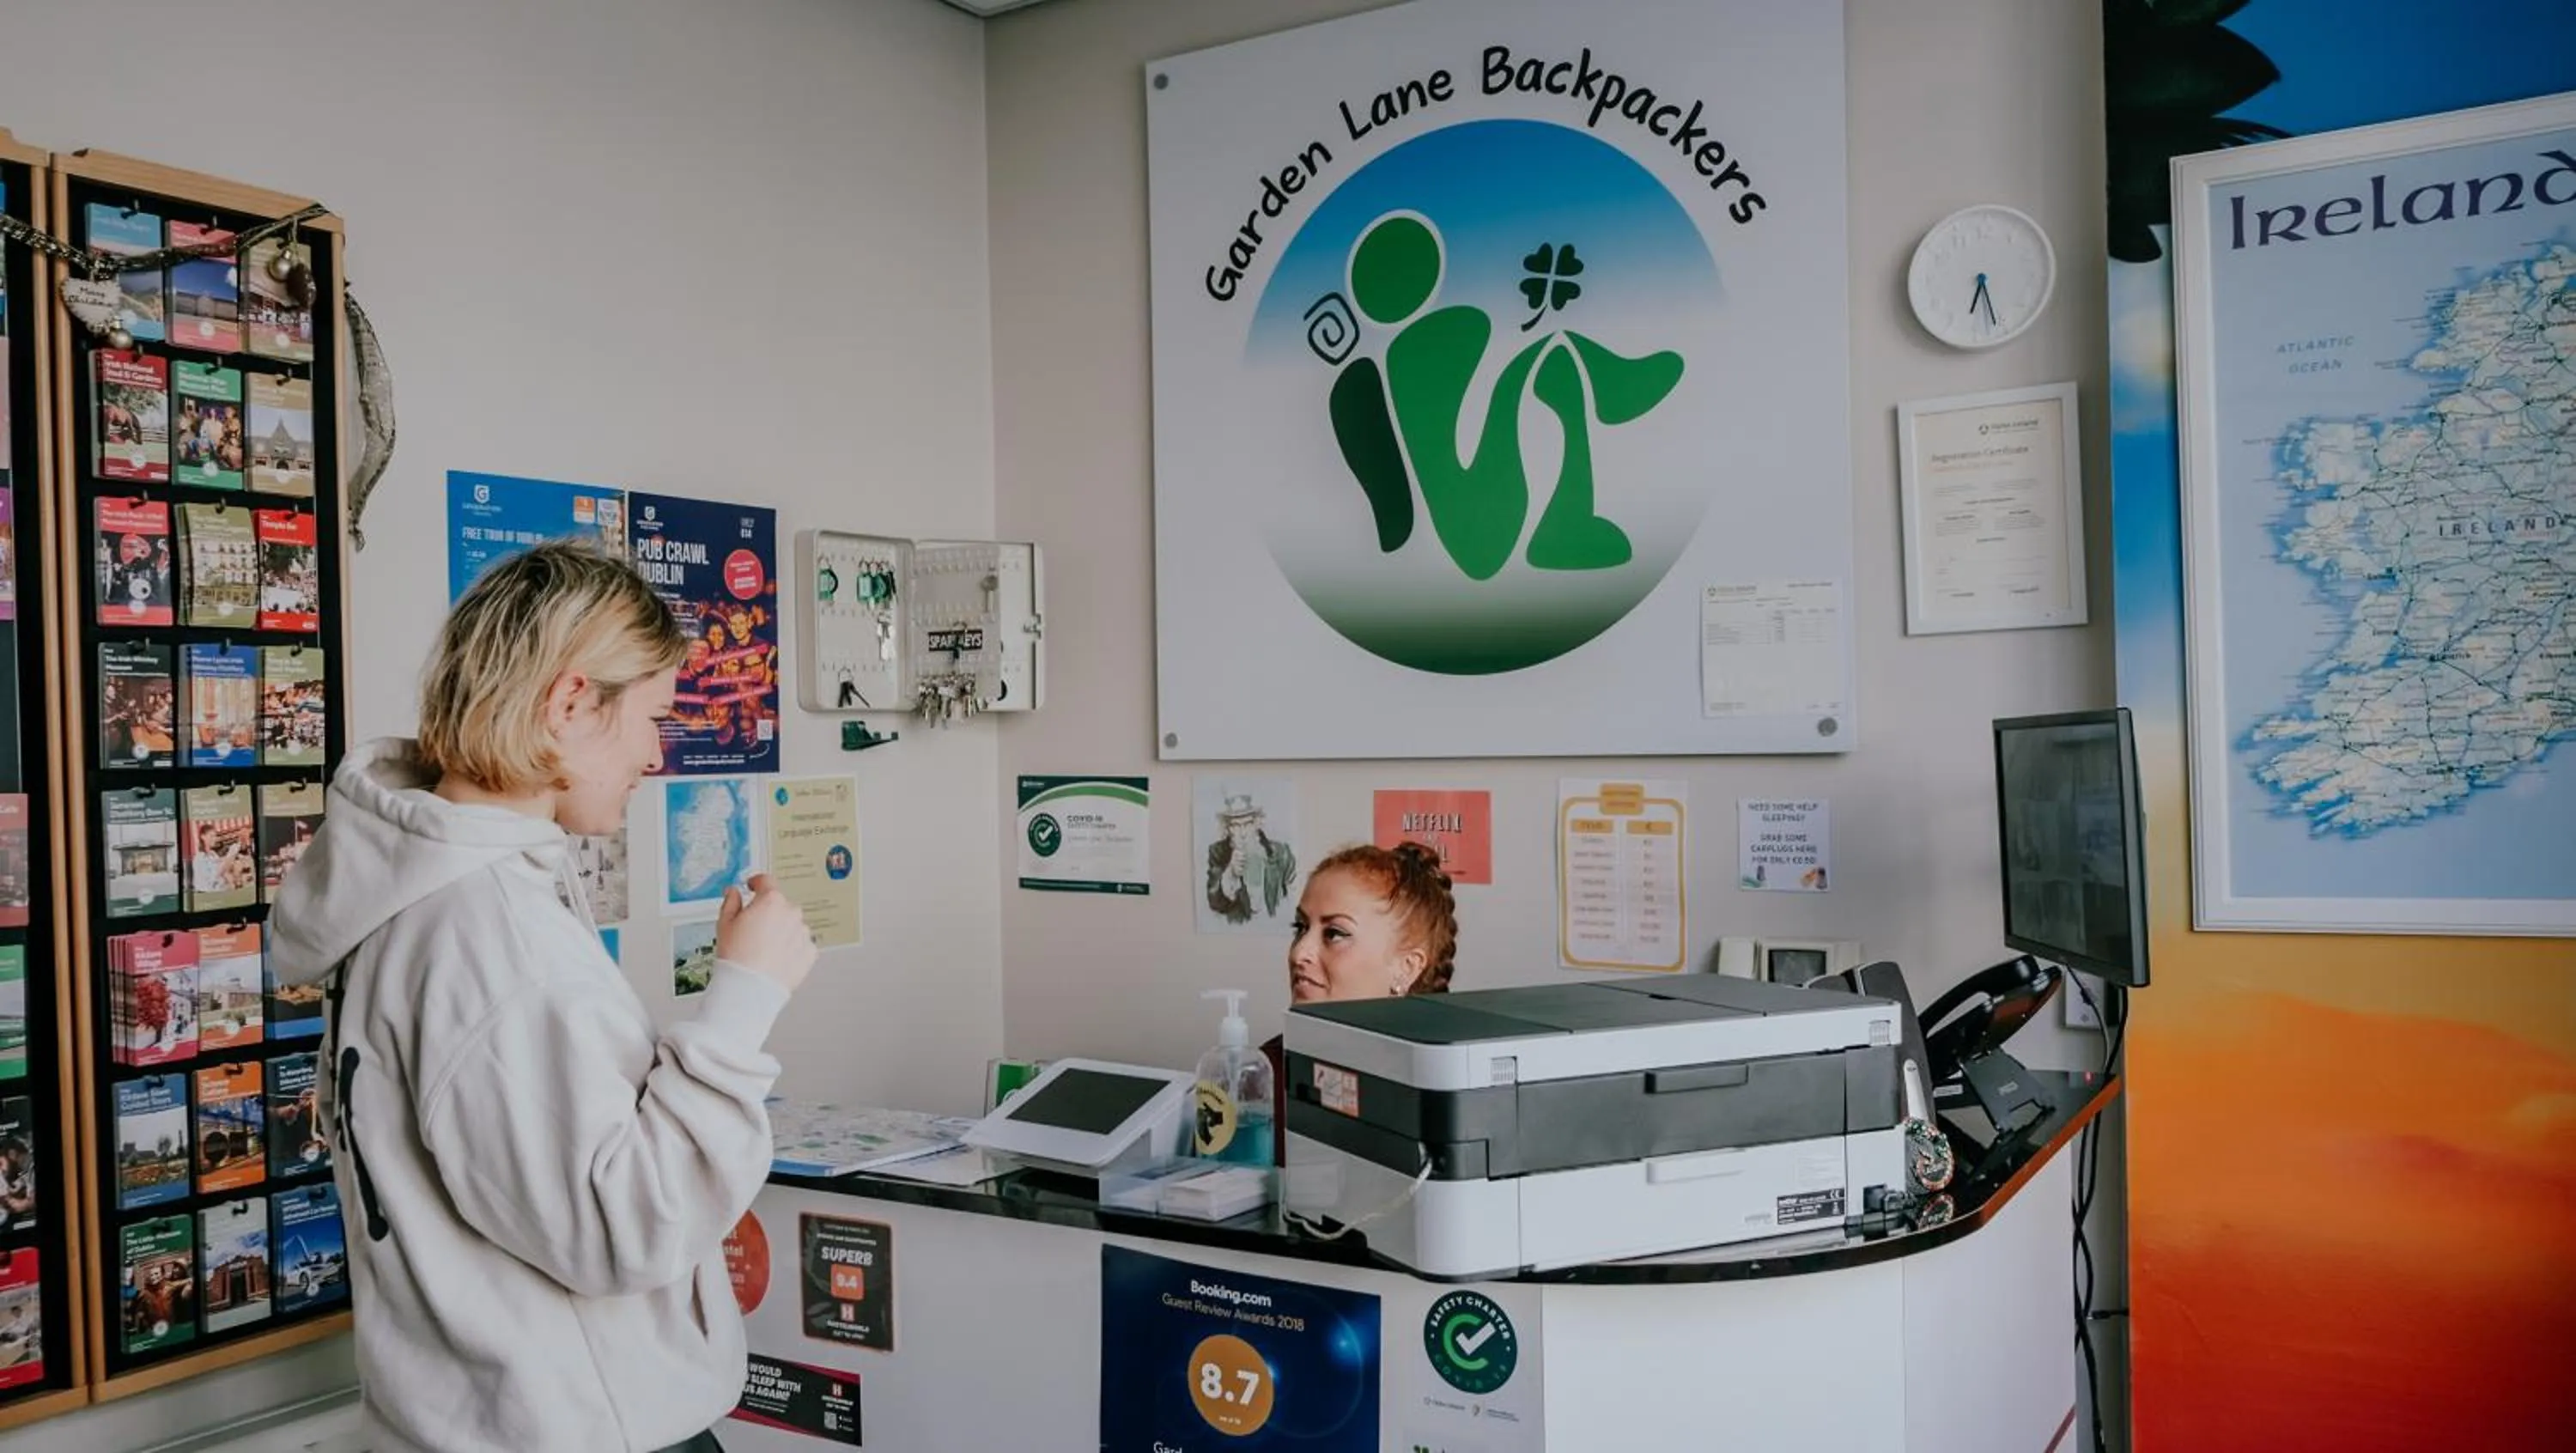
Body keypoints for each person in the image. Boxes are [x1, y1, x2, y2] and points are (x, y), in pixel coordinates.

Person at [270, 539, 816, 1453]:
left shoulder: (420, 895)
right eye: (651, 717)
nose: (657, 754)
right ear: (569, 703)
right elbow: (622, 1227)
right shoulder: (489, 931)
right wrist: (743, 1003)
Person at [1261, 842, 1460, 1160]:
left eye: (1334, 934)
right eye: (1301, 928)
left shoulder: (1451, 1089)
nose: (1299, 953)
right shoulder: (1265, 1072)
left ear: (1406, 967)